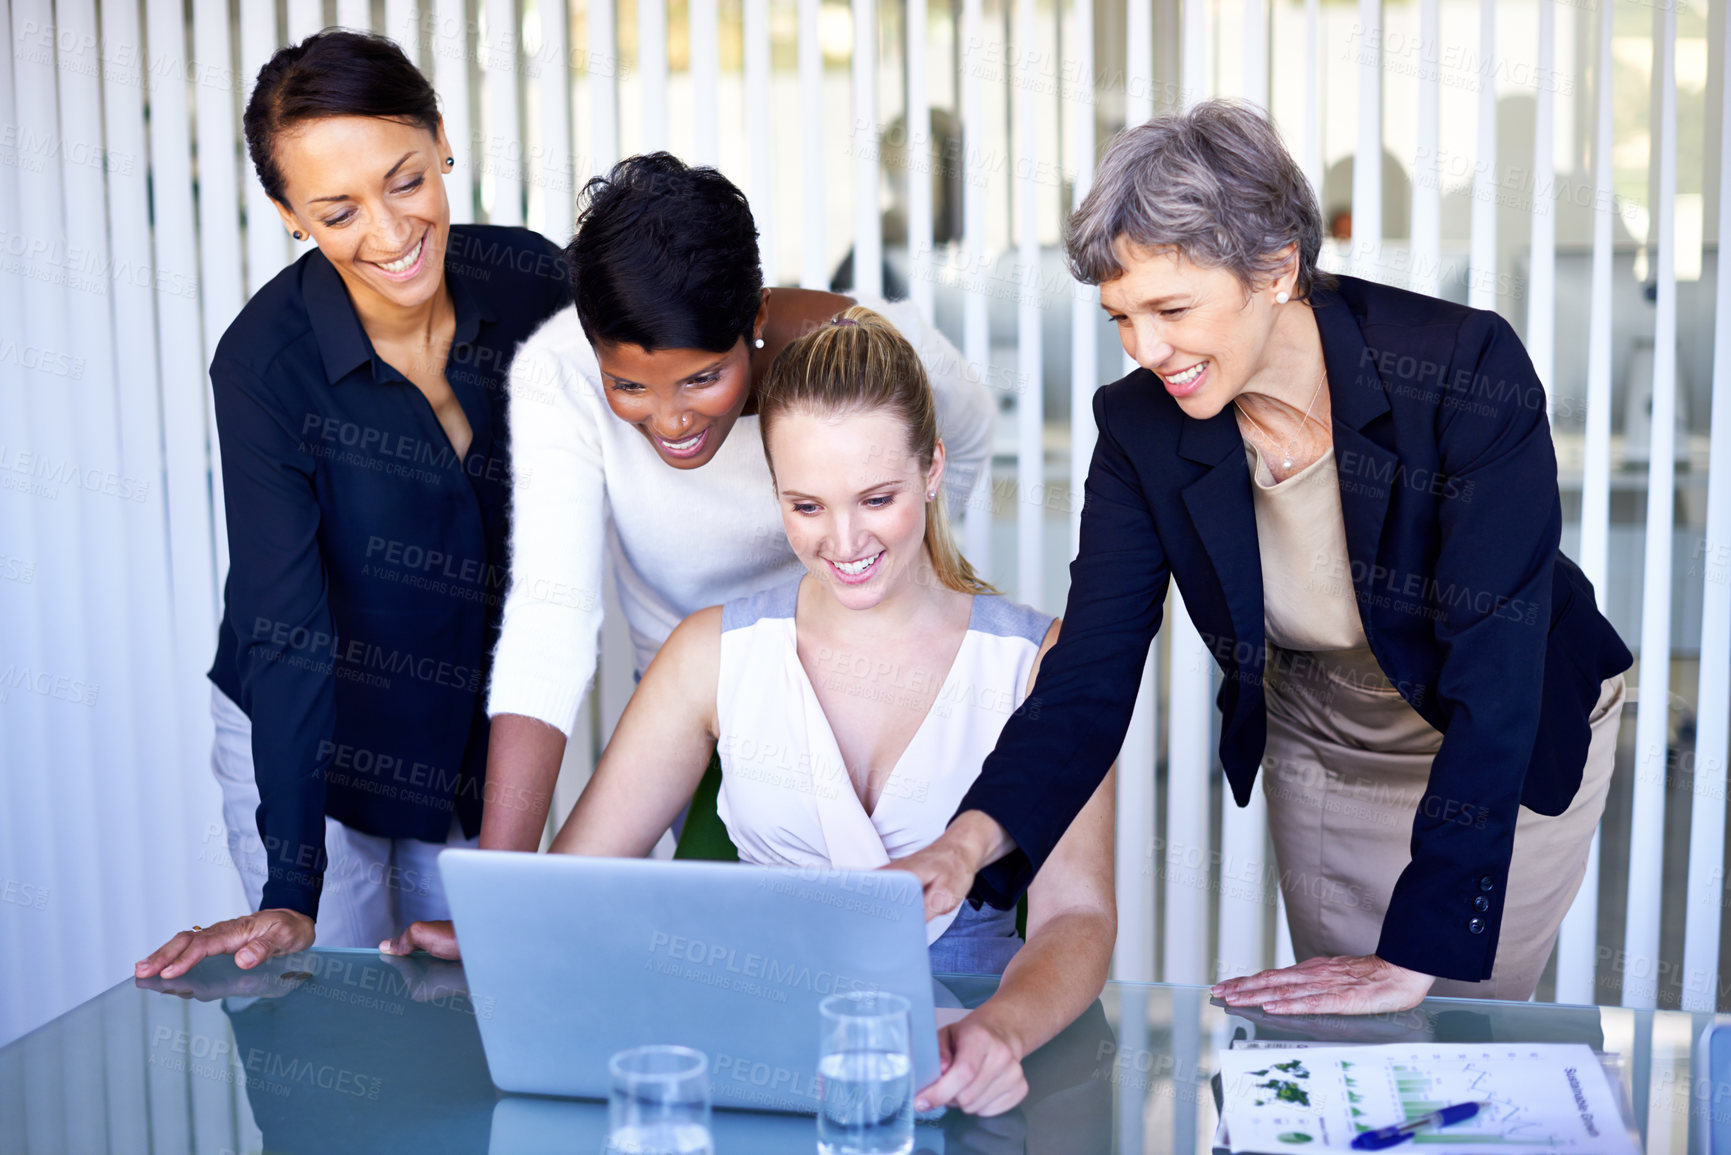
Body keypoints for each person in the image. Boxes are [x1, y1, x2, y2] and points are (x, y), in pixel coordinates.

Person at [895, 100, 1632, 1013]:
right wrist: (969, 838)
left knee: (1452, 1015)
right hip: (1327, 733)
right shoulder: (1138, 428)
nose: (1147, 350)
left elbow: (1497, 664)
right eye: (1121, 316)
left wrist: (1421, 951)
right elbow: (1089, 674)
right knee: (1340, 1020)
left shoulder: (1460, 367)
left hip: (1505, 728)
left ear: (1276, 269)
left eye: (1170, 308)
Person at [388, 308, 1115, 1116]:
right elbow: (576, 888)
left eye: (875, 498)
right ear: (773, 491)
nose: (843, 541)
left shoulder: (1039, 663)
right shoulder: (711, 653)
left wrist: (1000, 1033)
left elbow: (1077, 915)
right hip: (755, 1074)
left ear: (933, 468)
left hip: (967, 1066)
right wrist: (501, 934)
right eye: (805, 507)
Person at [135, 30, 570, 981]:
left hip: (464, 728)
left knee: (483, 1013)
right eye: (337, 211)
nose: (388, 232)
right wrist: (292, 888)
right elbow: (288, 633)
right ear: (292, 215)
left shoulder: (532, 281)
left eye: (405, 181)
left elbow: (669, 339)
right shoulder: (263, 368)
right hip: (310, 742)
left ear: (441, 140)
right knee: (338, 1030)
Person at [453, 154, 995, 862]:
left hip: (871, 677)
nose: (672, 419)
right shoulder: (560, 375)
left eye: (703, 377)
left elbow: (966, 433)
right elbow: (548, 620)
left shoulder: (873, 355)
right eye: (630, 386)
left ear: (757, 316)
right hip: (696, 707)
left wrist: (876, 569)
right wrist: (498, 887)